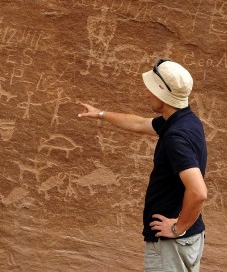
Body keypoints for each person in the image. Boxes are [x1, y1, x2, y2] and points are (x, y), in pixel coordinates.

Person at [78, 59, 209, 272]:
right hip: (184, 240)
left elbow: (199, 192)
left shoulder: (176, 136)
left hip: (171, 244)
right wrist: (100, 114)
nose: (147, 93)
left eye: (151, 89)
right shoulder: (185, 120)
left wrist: (177, 228)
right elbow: (139, 123)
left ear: (162, 94)